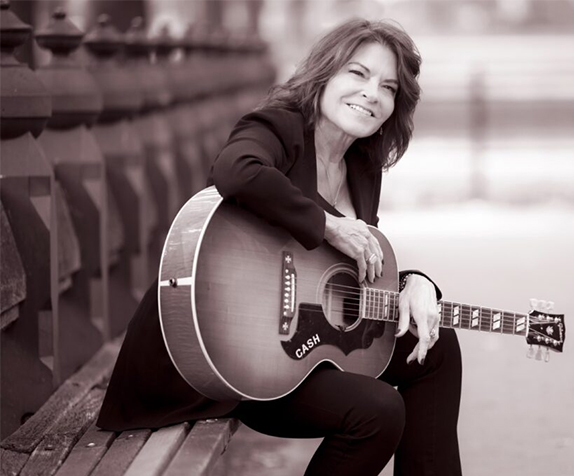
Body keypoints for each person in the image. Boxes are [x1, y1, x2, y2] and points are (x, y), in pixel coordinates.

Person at [97, 19, 463, 476]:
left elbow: (353, 271)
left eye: (389, 87)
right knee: (378, 411)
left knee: (435, 344)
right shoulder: (282, 125)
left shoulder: (363, 165)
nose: (372, 93)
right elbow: (234, 169)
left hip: (289, 353)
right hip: (211, 356)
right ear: (324, 72)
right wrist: (326, 224)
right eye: (358, 73)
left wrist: (417, 284)